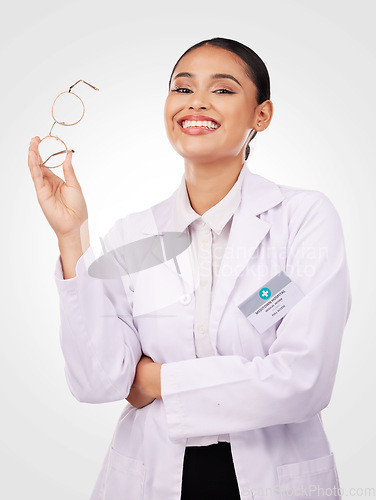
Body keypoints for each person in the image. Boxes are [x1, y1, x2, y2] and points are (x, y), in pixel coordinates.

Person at [28, 37, 351, 500]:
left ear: (262, 115)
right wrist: (71, 237)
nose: (196, 102)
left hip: (275, 479)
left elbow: (303, 380)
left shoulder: (302, 219)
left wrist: (155, 380)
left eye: (222, 90)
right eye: (182, 89)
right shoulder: (134, 237)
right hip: (151, 477)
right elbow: (97, 380)